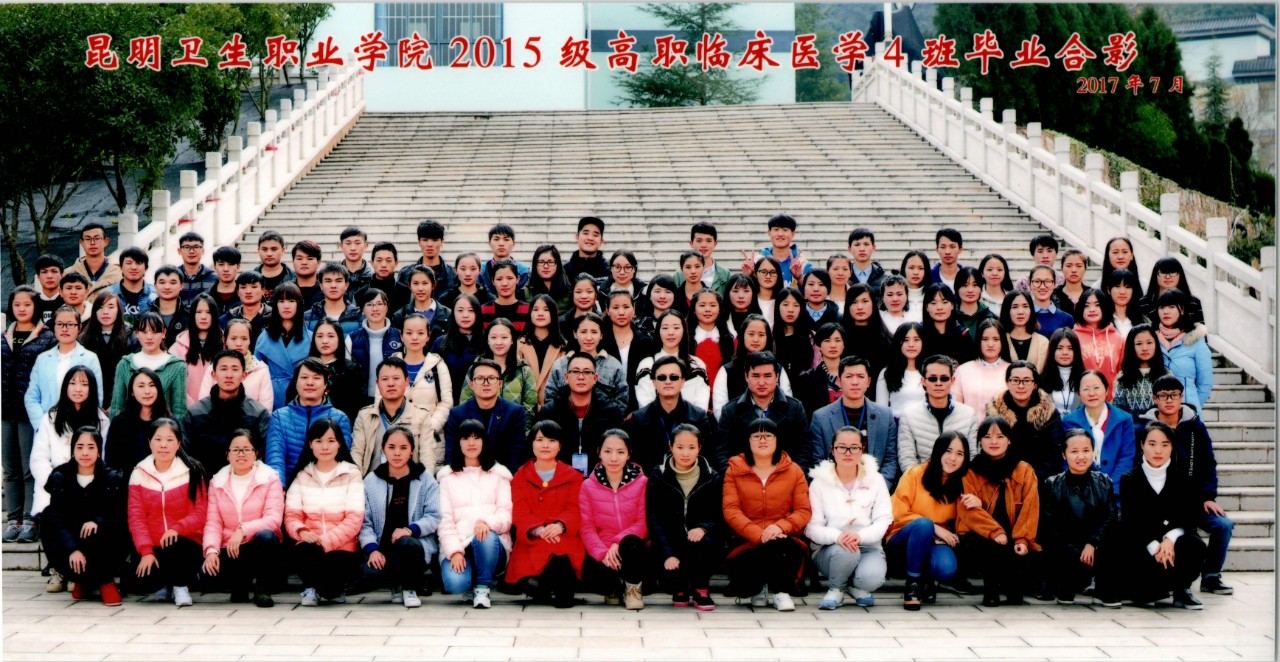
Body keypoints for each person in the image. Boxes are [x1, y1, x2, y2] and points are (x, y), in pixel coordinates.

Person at [1139, 375, 1234, 596]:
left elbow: (1208, 464)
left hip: (1193, 500)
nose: (1169, 400)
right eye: (1163, 395)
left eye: (1174, 395)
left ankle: (1211, 576)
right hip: (1159, 502)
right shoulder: (1144, 428)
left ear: (1182, 397)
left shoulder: (1195, 427)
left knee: (1223, 525)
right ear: (1154, 399)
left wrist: (1208, 496)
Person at [721, 418, 812, 612]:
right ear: (748, 440)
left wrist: (780, 527)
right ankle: (759, 588)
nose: (762, 440)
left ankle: (781, 591)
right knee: (745, 582)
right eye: (756, 436)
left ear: (777, 439)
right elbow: (731, 510)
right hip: (748, 540)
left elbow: (803, 510)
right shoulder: (735, 470)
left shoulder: (793, 470)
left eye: (768, 435)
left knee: (780, 546)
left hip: (783, 539)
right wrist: (758, 534)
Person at [1117, 422, 1207, 609]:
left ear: (1172, 447)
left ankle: (1182, 590)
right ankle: (1144, 588)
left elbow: (1189, 518)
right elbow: (1132, 520)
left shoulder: (1183, 479)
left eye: (1165, 444)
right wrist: (1155, 547)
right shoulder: (1129, 479)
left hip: (1173, 544)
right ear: (1142, 445)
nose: (1158, 450)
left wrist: (1169, 540)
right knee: (1124, 541)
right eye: (1152, 444)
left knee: (1193, 544)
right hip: (1143, 543)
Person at [38, 427, 127, 606]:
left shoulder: (112, 478)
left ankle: (105, 581)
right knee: (48, 516)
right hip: (73, 540)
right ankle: (80, 578)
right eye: (79, 447)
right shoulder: (60, 476)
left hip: (102, 542)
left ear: (99, 451)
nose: (85, 452)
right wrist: (73, 549)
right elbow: (57, 518)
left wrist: (98, 521)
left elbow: (117, 513)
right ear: (72, 450)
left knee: (108, 526)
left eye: (91, 447)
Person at [957, 416, 1041, 606]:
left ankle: (1013, 586)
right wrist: (994, 531)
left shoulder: (1023, 469)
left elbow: (1030, 508)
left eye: (1000, 436)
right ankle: (991, 589)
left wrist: (1022, 539)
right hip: (984, 535)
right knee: (989, 547)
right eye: (987, 437)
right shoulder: (970, 472)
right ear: (980, 441)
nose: (993, 442)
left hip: (1014, 532)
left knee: (1016, 593)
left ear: (1009, 440)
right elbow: (968, 512)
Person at [806, 426, 892, 609]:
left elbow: (884, 519)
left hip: (867, 546)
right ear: (832, 450)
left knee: (871, 578)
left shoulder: (875, 479)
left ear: (862, 450)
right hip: (831, 550)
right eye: (841, 447)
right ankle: (836, 589)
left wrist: (860, 536)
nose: (847, 453)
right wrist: (837, 536)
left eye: (854, 447)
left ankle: (853, 585)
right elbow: (812, 527)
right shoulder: (819, 483)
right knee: (846, 551)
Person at [127, 419, 209, 607]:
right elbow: (136, 518)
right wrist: (146, 551)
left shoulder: (192, 471)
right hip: (155, 545)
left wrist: (177, 529)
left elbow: (201, 512)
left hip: (186, 543)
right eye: (158, 439)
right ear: (150, 442)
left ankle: (180, 586)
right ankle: (166, 583)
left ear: (179, 443)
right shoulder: (139, 473)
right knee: (141, 580)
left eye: (170, 440)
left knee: (175, 544)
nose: (163, 445)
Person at [358, 425, 441, 609]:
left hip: (414, 546)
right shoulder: (371, 480)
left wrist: (410, 530)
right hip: (383, 548)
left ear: (411, 451)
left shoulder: (424, 478)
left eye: (403, 448)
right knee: (370, 574)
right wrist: (372, 549)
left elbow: (434, 515)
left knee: (406, 544)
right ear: (383, 449)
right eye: (391, 447)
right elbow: (365, 522)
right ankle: (396, 583)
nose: (397, 453)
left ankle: (410, 588)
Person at [885, 431, 969, 610]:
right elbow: (896, 512)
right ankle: (913, 584)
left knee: (946, 568)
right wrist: (934, 527)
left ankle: (927, 579)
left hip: (936, 541)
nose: (953, 458)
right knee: (924, 525)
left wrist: (975, 502)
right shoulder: (915, 473)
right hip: (904, 537)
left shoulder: (962, 482)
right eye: (948, 451)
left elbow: (963, 523)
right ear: (938, 451)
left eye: (959, 454)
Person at [200, 430, 284, 608]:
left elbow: (274, 519)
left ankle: (262, 589)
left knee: (267, 536)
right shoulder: (217, 482)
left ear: (256, 453)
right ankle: (240, 584)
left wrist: (242, 530)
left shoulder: (270, 478)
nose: (241, 454)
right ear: (227, 454)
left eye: (246, 449)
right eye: (236, 450)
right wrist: (211, 551)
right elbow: (213, 523)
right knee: (207, 577)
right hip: (231, 548)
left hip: (258, 546)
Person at [285, 419, 364, 606]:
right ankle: (311, 588)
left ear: (339, 443)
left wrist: (325, 542)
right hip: (310, 548)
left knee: (331, 592)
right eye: (319, 441)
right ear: (310, 444)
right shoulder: (302, 475)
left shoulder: (351, 473)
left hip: (342, 549)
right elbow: (291, 516)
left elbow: (354, 519)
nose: (325, 447)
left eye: (331, 440)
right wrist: (302, 531)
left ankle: (333, 589)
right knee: (304, 551)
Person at [507, 421, 585, 608]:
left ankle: (561, 584)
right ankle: (549, 585)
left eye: (551, 440)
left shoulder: (573, 476)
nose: (545, 445)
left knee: (561, 556)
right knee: (529, 580)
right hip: (533, 537)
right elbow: (520, 510)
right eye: (540, 440)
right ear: (532, 444)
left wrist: (560, 526)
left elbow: (575, 508)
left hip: (562, 536)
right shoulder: (520, 476)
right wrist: (538, 530)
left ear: (560, 446)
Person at [645, 423, 723, 611]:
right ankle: (679, 587)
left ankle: (701, 588)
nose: (685, 453)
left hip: (699, 541)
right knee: (669, 580)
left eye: (691, 447)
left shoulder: (711, 476)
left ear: (700, 448)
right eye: (680, 447)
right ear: (670, 447)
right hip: (671, 542)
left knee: (706, 541)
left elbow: (718, 513)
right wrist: (667, 554)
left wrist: (703, 528)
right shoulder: (659, 475)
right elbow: (654, 517)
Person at [437, 419, 513, 609]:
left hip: (491, 546)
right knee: (455, 584)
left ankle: (482, 587)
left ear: (484, 441)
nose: (471, 443)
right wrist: (454, 551)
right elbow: (444, 522)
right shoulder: (447, 478)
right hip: (460, 543)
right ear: (458, 442)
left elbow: (506, 516)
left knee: (485, 536)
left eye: (476, 437)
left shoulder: (499, 475)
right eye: (466, 438)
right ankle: (470, 580)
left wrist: (486, 522)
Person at [1041, 429, 1119, 607]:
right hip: (1067, 548)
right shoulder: (1053, 484)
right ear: (1064, 454)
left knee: (1115, 536)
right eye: (1074, 451)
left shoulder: (1104, 481)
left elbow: (1110, 516)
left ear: (1093, 452)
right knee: (1057, 547)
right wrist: (1075, 551)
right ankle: (1065, 586)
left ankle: (1104, 590)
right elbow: (1051, 525)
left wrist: (1092, 543)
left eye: (1086, 450)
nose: (1081, 456)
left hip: (1095, 546)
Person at [2, 286, 57, 542]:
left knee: (29, 468)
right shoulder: (4, 337)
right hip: (5, 412)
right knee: (10, 469)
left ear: (36, 307)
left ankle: (29, 519)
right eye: (17, 304)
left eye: (27, 304)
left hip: (31, 414)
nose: (22, 309)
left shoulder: (47, 338)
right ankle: (13, 520)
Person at [579, 430, 649, 609]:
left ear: (629, 454)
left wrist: (618, 542)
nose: (614, 458)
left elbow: (643, 524)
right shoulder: (587, 486)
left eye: (620, 452)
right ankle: (614, 589)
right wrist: (603, 553)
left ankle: (633, 589)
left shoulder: (642, 483)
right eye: (608, 451)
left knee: (631, 543)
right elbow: (587, 528)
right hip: (605, 551)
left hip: (633, 550)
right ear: (599, 452)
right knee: (591, 574)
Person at [31, 367, 111, 522]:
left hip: (90, 485)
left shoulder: (102, 420)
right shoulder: (51, 418)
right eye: (73, 383)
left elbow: (104, 458)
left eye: (84, 384)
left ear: (92, 388)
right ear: (65, 386)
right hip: (56, 485)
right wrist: (56, 482)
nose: (78, 389)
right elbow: (39, 458)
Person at [809, 356, 898, 487]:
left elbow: (890, 460)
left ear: (868, 382)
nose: (855, 382)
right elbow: (818, 461)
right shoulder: (821, 417)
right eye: (849, 376)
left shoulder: (885, 416)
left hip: (875, 488)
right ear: (839, 381)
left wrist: (877, 489)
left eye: (860, 377)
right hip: (835, 489)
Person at [714, 352, 811, 472]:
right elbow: (722, 454)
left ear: (777, 376)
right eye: (756, 376)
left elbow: (803, 452)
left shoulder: (794, 408)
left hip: (785, 477)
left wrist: (791, 478)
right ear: (746, 376)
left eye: (767, 376)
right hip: (743, 477)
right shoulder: (730, 411)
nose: (761, 382)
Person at [265, 358, 353, 487]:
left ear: (325, 384)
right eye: (304, 377)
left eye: (316, 378)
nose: (310, 383)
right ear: (296, 382)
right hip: (288, 488)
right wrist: (279, 489)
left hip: (326, 490)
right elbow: (275, 458)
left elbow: (341, 462)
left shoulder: (339, 418)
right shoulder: (279, 417)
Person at [182, 350, 272, 476]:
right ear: (213, 375)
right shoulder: (195, 413)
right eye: (223, 369)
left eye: (235, 369)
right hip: (203, 481)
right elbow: (186, 455)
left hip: (245, 481)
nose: (229, 375)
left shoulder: (258, 414)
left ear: (244, 375)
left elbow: (263, 456)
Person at [535, 353, 625, 473]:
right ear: (566, 377)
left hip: (600, 476)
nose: (581, 377)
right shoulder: (550, 412)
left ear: (595, 378)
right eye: (575, 371)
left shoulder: (611, 412)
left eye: (587, 372)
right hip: (559, 476)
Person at [625, 356, 717, 471]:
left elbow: (707, 457)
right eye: (662, 377)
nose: (668, 381)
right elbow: (636, 462)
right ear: (654, 383)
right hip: (651, 478)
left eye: (674, 377)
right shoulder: (639, 418)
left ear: (683, 381)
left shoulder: (698, 416)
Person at [351, 358, 436, 475]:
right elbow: (357, 453)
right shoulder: (365, 416)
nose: (390, 383)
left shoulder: (422, 416)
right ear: (377, 383)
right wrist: (356, 481)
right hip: (372, 481)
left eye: (396, 378)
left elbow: (427, 457)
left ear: (407, 381)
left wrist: (424, 483)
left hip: (410, 482)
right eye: (385, 379)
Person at [896, 355, 980, 473]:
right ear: (923, 381)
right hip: (922, 480)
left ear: (952, 381)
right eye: (933, 379)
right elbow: (907, 460)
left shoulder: (968, 414)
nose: (938, 383)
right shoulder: (909, 415)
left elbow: (972, 457)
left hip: (958, 480)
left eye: (944, 378)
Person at [24, 306, 104, 430]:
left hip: (79, 428)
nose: (64, 329)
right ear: (54, 327)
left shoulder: (90, 358)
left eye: (70, 324)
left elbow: (96, 397)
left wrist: (82, 428)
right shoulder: (42, 359)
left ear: (79, 328)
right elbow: (31, 397)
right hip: (46, 427)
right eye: (60, 324)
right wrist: (42, 425)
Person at [986, 361, 1065, 484]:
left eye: (1027, 381)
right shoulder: (994, 412)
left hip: (1041, 480)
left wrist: (1031, 481)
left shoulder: (1049, 412)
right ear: (1007, 382)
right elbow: (989, 449)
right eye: (1015, 380)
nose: (1021, 386)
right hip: (1003, 479)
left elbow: (1054, 454)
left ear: (1035, 384)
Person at [445, 359, 528, 472]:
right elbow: (451, 453)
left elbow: (516, 453)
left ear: (500, 383)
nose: (486, 383)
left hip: (503, 474)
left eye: (491, 378)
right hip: (468, 474)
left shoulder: (514, 412)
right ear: (471, 384)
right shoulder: (457, 414)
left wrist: (510, 479)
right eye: (479, 378)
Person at [1061, 371, 1135, 494]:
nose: (1092, 393)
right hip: (1080, 492)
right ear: (1079, 393)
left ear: (1106, 390)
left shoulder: (1124, 419)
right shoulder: (1069, 421)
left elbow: (1126, 458)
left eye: (1096, 388)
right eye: (1086, 389)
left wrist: (1110, 489)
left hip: (1116, 490)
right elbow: (1066, 460)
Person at [460, 318, 538, 428]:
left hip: (514, 432)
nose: (498, 342)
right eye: (493, 337)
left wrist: (521, 433)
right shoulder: (475, 368)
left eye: (504, 337)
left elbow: (530, 408)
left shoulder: (524, 370)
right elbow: (465, 403)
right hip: (479, 432)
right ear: (487, 340)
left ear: (512, 340)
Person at [712, 315, 794, 418]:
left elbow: (787, 405)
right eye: (751, 334)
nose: (755, 339)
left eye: (761, 335)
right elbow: (720, 410)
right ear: (742, 336)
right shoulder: (727, 370)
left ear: (768, 338)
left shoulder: (778, 369)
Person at [543, 314, 628, 412]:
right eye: (583, 332)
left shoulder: (613, 365)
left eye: (594, 332)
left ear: (601, 335)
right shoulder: (560, 365)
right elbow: (549, 397)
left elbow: (622, 400)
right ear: (575, 333)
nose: (588, 337)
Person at [109, 312, 187, 418]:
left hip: (164, 426)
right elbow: (117, 407)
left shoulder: (177, 366)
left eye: (155, 332)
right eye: (144, 332)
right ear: (136, 333)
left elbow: (180, 411)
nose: (149, 337)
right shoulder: (125, 364)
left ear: (164, 333)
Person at [394, 313, 453, 451]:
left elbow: (446, 402)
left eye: (420, 333)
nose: (414, 337)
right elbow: (381, 401)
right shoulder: (391, 365)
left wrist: (429, 428)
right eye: (409, 333)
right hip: (396, 441)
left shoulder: (438, 365)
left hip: (431, 441)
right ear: (401, 336)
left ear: (428, 336)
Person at [634, 311, 712, 411]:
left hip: (691, 420)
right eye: (665, 328)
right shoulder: (647, 365)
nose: (670, 332)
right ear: (658, 331)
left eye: (676, 328)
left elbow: (700, 408)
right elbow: (645, 407)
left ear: (684, 331)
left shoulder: (697, 365)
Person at [254, 283, 312, 410]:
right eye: (281, 301)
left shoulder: (311, 338)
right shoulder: (264, 337)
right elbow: (256, 374)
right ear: (275, 305)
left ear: (299, 304)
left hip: (302, 397)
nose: (286, 306)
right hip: (271, 397)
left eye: (291, 301)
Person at [104, 368, 171, 476]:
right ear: (132, 392)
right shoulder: (120, 423)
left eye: (152, 385)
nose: (147, 391)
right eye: (141, 386)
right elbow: (111, 462)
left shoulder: (169, 423)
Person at [1154, 289, 1213, 413]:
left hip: (1188, 411)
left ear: (1182, 310)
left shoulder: (1196, 341)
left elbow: (1205, 384)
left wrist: (1192, 408)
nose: (1166, 311)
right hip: (1157, 412)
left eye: (1171, 307)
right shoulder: (1151, 339)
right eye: (1162, 307)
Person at [298, 320, 366, 422]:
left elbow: (357, 406)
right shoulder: (303, 367)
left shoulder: (352, 370)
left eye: (330, 336)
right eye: (320, 336)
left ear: (339, 338)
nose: (325, 341)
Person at [198, 318, 274, 410]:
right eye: (233, 338)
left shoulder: (261, 370)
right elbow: (203, 405)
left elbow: (265, 409)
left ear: (250, 340)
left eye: (244, 338)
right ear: (224, 339)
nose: (239, 343)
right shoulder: (213, 368)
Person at [79, 290, 136, 406]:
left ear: (119, 310)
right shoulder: (83, 339)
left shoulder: (130, 337)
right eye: (100, 307)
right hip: (90, 401)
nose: (105, 312)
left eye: (111, 307)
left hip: (124, 401)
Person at [169, 294, 224, 407]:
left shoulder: (225, 344)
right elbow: (175, 384)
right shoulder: (177, 348)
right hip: (186, 409)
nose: (203, 317)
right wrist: (194, 408)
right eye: (199, 312)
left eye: (208, 312)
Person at [350, 288, 404, 401]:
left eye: (379, 304)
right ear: (362, 309)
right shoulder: (352, 338)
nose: (375, 309)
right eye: (369, 304)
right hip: (360, 399)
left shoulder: (400, 336)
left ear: (387, 307)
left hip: (393, 398)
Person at [600, 290, 655, 395]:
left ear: (633, 309)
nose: (621, 312)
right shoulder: (600, 341)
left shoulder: (645, 342)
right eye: (615, 307)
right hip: (606, 398)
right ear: (607, 310)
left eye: (626, 307)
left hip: (638, 397)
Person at [1072, 289, 1124, 398]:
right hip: (1081, 399)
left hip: (1112, 399)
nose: (1092, 309)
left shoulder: (1118, 339)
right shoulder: (1073, 337)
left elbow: (1122, 372)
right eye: (1086, 306)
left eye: (1097, 305)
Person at [517, 294, 568, 407]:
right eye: (535, 309)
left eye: (546, 310)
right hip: (526, 406)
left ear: (553, 314)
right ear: (530, 314)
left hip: (554, 407)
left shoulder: (563, 347)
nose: (540, 313)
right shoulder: (519, 345)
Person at [431, 293, 483, 402]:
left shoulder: (486, 342)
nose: (465, 315)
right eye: (460, 310)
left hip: (481, 402)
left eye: (471, 310)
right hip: (448, 403)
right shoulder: (441, 343)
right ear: (453, 313)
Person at [741, 213, 812, 289]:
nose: (780, 234)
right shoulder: (757, 261)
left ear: (793, 234)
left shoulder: (802, 263)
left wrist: (799, 277)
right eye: (776, 229)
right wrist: (747, 276)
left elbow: (812, 289)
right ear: (769, 233)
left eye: (785, 230)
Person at [839, 283, 893, 382]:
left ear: (873, 303)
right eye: (854, 302)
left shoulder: (887, 340)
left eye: (865, 301)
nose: (860, 307)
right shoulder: (839, 339)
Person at [951, 319, 1010, 408]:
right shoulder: (963, 370)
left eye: (996, 339)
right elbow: (954, 406)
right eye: (985, 339)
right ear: (978, 340)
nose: (990, 344)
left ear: (1003, 341)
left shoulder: (1011, 371)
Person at [1112, 324, 1168, 418]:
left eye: (1149, 342)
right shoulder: (1123, 379)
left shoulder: (1166, 375)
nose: (1145, 348)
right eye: (1139, 344)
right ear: (1131, 347)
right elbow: (1119, 414)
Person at [687, 288, 735, 391]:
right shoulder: (684, 339)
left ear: (719, 309)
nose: (707, 309)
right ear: (694, 309)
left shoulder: (731, 339)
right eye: (702, 305)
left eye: (713, 305)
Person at [876, 322, 926, 417]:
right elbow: (881, 410)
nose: (911, 344)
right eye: (906, 340)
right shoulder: (887, 373)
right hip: (897, 423)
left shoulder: (930, 372)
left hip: (925, 423)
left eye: (916, 340)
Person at [794, 323, 846, 415]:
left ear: (843, 345)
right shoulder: (807, 378)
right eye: (827, 340)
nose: (833, 345)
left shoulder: (853, 374)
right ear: (819, 346)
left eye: (837, 340)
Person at [1140, 257, 1206, 328]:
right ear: (1155, 275)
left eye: (1172, 272)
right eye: (1163, 272)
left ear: (1180, 275)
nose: (1168, 276)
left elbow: (1200, 331)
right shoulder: (1143, 303)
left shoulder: (1193, 302)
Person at [919, 284, 975, 364]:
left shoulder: (963, 336)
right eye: (933, 303)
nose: (939, 307)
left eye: (944, 302)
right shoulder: (919, 335)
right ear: (926, 307)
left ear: (952, 305)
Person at [772, 288, 818, 383]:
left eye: (796, 305)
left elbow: (816, 368)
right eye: (785, 305)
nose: (790, 310)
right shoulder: (770, 334)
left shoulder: (811, 337)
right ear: (777, 307)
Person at [303, 263, 362, 337]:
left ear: (346, 285)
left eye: (338, 281)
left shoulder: (360, 317)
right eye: (328, 281)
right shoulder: (307, 318)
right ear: (321, 285)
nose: (333, 286)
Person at [400, 221, 457, 296]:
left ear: (442, 241)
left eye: (434, 240)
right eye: (425, 240)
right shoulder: (405, 273)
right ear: (419, 241)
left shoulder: (453, 274)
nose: (429, 244)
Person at [220, 272, 272, 352]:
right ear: (238, 292)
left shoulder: (274, 317)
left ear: (263, 290)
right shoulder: (226, 319)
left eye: (254, 287)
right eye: (243, 287)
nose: (248, 291)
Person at [64, 223, 121, 295]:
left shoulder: (118, 274)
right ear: (81, 243)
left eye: (97, 238)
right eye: (88, 239)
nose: (92, 242)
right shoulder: (68, 273)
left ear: (106, 241)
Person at [677, 223, 733, 295]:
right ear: (691, 243)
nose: (703, 245)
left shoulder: (725, 275)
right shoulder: (679, 275)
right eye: (699, 241)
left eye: (708, 241)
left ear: (715, 244)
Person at [392, 265, 449, 335]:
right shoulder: (399, 316)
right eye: (416, 283)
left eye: (425, 283)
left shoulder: (448, 315)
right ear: (409, 286)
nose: (420, 288)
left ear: (433, 285)